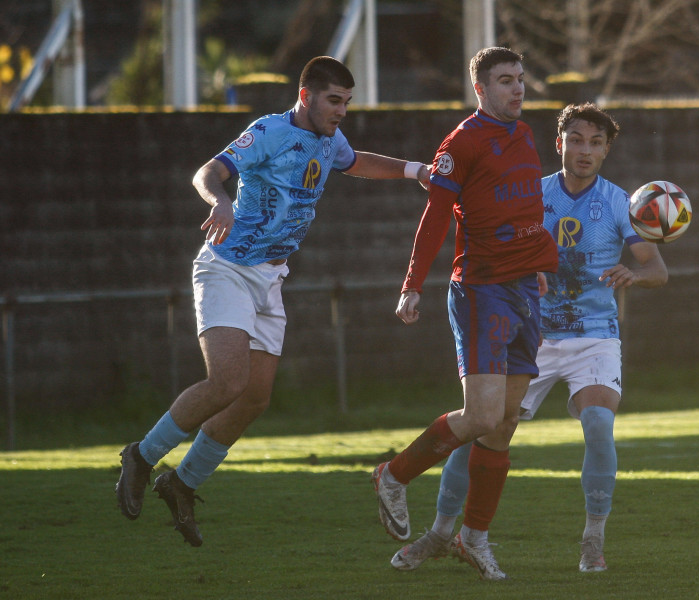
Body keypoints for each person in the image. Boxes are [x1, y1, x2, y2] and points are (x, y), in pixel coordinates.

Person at [115, 56, 430, 546]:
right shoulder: (267, 131)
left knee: (255, 397)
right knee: (227, 381)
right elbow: (208, 172)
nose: (342, 110)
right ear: (306, 97)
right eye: (334, 100)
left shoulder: (330, 140)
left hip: (270, 279)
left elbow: (356, 162)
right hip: (227, 269)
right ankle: (141, 455)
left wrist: (417, 171)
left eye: (347, 102)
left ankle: (182, 483)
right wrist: (218, 199)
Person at [388, 103, 668, 574]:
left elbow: (657, 269)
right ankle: (440, 533)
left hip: (594, 338)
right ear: (558, 144)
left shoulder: (620, 202)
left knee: (599, 426)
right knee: (482, 428)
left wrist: (634, 275)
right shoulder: (528, 195)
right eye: (575, 140)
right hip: (529, 332)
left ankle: (592, 542)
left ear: (606, 151)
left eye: (596, 143)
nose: (585, 150)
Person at [371, 47, 557, 581]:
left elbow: (524, 207)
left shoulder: (522, 135)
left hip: (525, 288)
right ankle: (393, 474)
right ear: (481, 89)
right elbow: (434, 219)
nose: (518, 89)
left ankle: (473, 539)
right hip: (481, 289)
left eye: (521, 79)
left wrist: (539, 261)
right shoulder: (462, 142)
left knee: (503, 425)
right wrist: (411, 286)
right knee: (480, 416)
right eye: (505, 81)